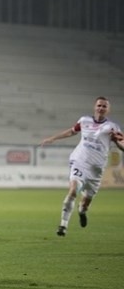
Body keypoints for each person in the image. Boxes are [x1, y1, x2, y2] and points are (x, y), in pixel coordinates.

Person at [39, 96, 124, 237]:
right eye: (99, 105)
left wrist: (117, 141)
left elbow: (122, 146)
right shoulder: (84, 121)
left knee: (85, 203)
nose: (101, 108)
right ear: (94, 106)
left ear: (108, 110)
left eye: (104, 106)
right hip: (80, 161)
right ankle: (63, 225)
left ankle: (82, 211)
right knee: (73, 191)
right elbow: (71, 131)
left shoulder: (112, 127)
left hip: (96, 169)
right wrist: (52, 138)